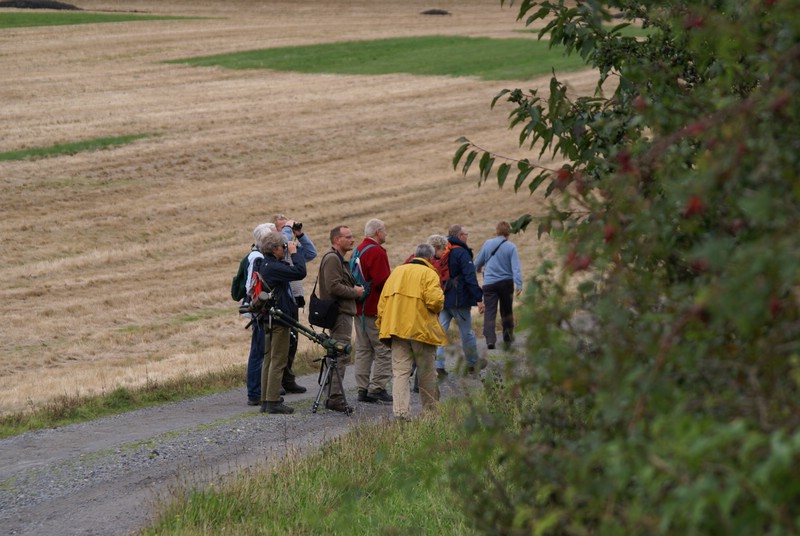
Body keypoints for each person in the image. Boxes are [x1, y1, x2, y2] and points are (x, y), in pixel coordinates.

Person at [377, 243, 448, 420]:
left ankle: (401, 413)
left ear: (414, 255)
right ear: (430, 258)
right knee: (426, 372)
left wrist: (383, 325)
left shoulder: (397, 272)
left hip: (396, 329)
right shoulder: (429, 273)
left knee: (400, 372)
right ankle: (430, 412)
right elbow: (435, 302)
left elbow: (382, 303)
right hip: (421, 330)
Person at [257, 231, 306, 414]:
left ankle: (266, 399)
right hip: (278, 319)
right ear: (275, 248)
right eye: (283, 247)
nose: (284, 249)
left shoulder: (267, 264)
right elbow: (300, 272)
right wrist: (295, 253)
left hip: (268, 318)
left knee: (269, 359)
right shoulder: (272, 267)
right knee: (278, 359)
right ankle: (273, 400)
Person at [317, 225, 365, 412]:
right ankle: (334, 398)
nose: (352, 240)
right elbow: (333, 286)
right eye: (348, 237)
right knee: (340, 354)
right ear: (337, 240)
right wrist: (355, 292)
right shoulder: (332, 259)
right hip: (340, 313)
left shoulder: (336, 258)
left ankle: (333, 395)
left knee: (338, 354)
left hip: (341, 312)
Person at [273, 214, 317, 394]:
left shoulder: (291, 249)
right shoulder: (271, 250)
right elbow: (280, 240)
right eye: (282, 227)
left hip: (293, 299)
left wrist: (300, 234)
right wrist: (287, 229)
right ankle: (277, 382)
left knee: (292, 341)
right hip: (280, 300)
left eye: (288, 227)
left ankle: (287, 379)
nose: (288, 230)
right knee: (280, 344)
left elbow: (312, 253)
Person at [435, 224, 486, 375]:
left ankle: (439, 365)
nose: (467, 236)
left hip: (443, 297)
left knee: (440, 332)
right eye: (466, 234)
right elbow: (470, 277)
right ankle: (472, 363)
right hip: (459, 299)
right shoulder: (462, 253)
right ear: (459, 236)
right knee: (466, 333)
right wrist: (479, 298)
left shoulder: (443, 250)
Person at [353, 218, 393, 404]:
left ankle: (362, 388)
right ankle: (377, 387)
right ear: (378, 232)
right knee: (383, 348)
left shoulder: (358, 249)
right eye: (384, 230)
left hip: (359, 307)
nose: (385, 233)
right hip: (373, 307)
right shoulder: (376, 251)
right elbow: (383, 281)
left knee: (363, 349)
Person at [474, 221, 523, 350]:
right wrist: (519, 284)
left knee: (490, 311)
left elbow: (478, 262)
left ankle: (490, 339)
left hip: (489, 283)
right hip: (506, 282)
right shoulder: (511, 247)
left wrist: (478, 268)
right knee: (506, 310)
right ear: (508, 233)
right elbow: (516, 267)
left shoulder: (488, 243)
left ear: (497, 231)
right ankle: (507, 337)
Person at [244, 222, 276, 406]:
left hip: (258, 309)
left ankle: (258, 391)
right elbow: (252, 285)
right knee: (258, 352)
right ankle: (255, 393)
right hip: (260, 311)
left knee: (260, 351)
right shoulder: (257, 258)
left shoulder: (255, 256)